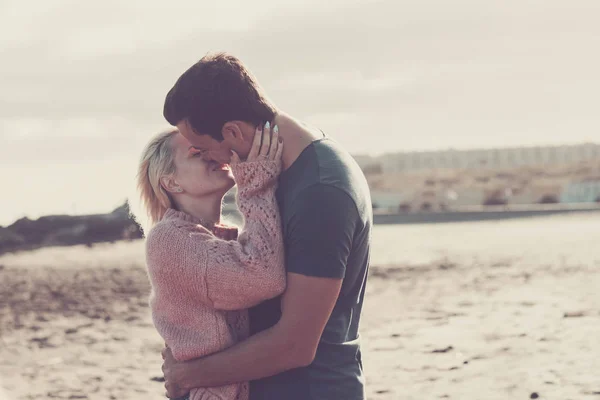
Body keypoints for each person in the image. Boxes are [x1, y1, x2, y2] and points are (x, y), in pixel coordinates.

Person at [161, 52, 372, 400]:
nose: (211, 160)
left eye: (203, 148)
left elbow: (295, 345)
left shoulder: (321, 191)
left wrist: (187, 374)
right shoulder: (283, 171)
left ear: (232, 131)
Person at [137, 124, 286, 400]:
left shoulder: (216, 238)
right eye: (197, 152)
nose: (212, 155)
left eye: (207, 148)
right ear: (171, 183)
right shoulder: (169, 238)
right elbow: (265, 276)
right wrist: (256, 180)